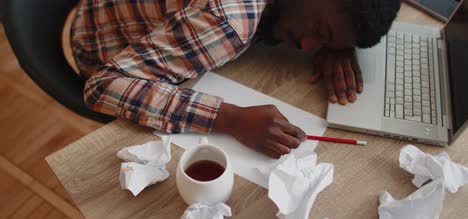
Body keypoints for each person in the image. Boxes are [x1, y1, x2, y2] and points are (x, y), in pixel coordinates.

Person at [71, 0, 401, 158]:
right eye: (318, 32)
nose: (306, 47)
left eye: (321, 41)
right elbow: (103, 85)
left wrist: (338, 41)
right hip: (98, 41)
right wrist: (230, 118)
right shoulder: (229, 23)